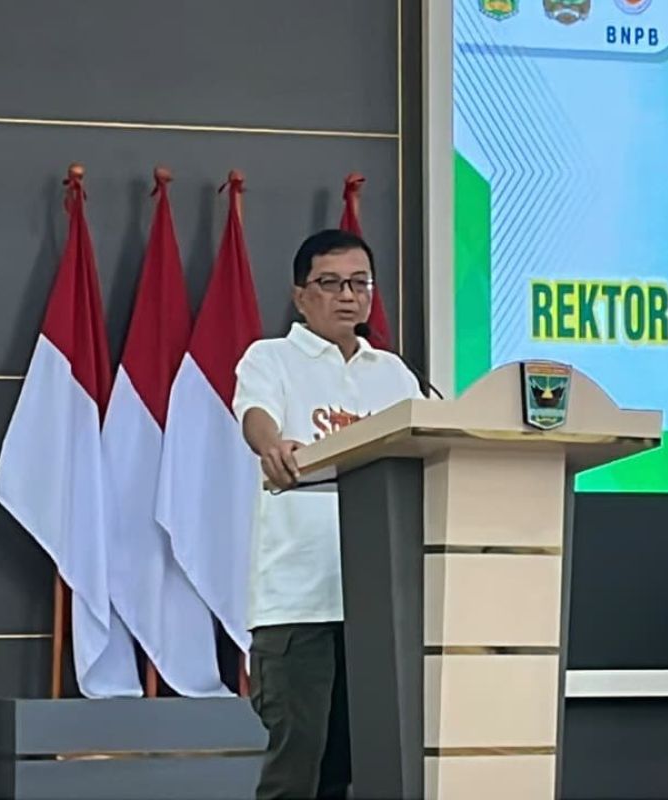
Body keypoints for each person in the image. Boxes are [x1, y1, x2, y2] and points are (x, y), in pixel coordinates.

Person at [231, 229, 423, 799]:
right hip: (300, 603)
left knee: (356, 770)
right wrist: (274, 446)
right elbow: (256, 416)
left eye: (359, 283)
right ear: (301, 295)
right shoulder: (271, 358)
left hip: (380, 604)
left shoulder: (394, 373)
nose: (347, 295)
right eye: (331, 283)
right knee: (298, 772)